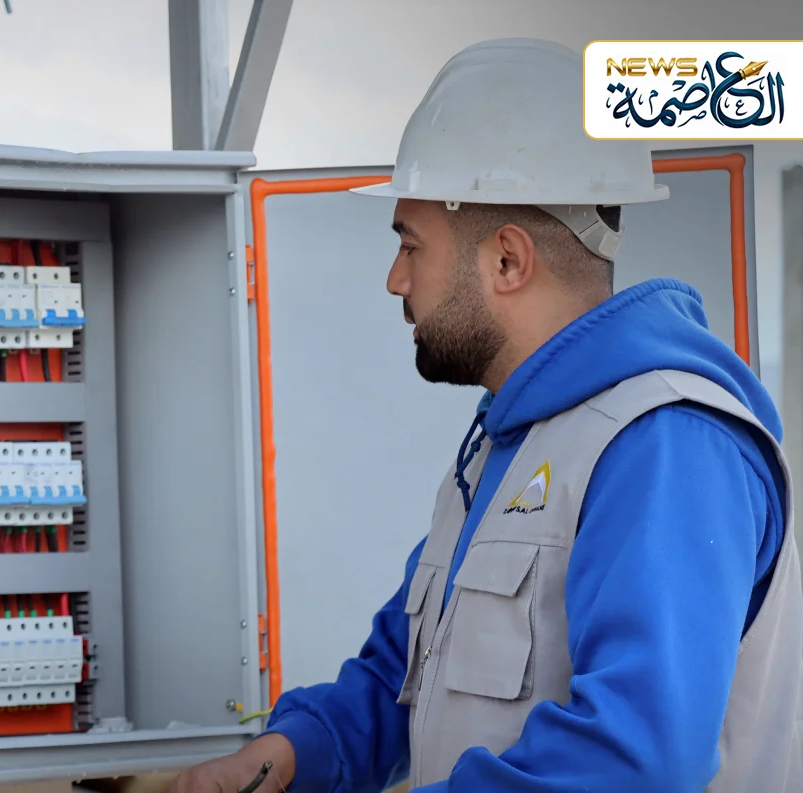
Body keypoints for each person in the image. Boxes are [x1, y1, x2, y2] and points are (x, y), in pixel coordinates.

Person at [167, 37, 803, 793]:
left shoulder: (666, 444)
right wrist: (286, 755)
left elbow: (633, 760)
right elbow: (402, 675)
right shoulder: (510, 444)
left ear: (508, 260)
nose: (395, 278)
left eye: (411, 246)